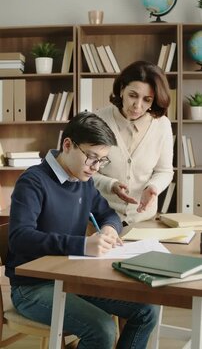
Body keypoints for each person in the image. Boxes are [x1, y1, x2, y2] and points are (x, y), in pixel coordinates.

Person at [5, 112, 159, 349]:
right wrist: (82, 245)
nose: (96, 168)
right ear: (67, 145)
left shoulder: (83, 181)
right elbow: (19, 238)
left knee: (145, 311)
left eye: (102, 161)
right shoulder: (33, 181)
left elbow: (108, 214)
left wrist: (109, 229)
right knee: (102, 328)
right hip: (32, 287)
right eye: (92, 158)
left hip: (72, 278)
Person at [94, 60, 174, 225]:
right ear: (122, 89)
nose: (138, 106)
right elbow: (83, 170)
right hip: (99, 219)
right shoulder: (97, 120)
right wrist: (111, 184)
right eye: (133, 95)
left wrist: (153, 187)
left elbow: (165, 171)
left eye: (147, 99)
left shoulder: (162, 125)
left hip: (143, 221)